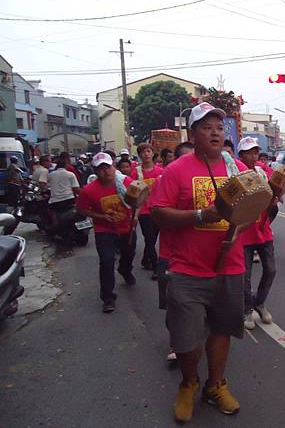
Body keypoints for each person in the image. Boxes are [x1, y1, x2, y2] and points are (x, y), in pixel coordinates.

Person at [152, 102, 246, 423]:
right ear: (193, 134)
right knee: (187, 339)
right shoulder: (176, 170)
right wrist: (200, 215)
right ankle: (188, 383)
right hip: (187, 270)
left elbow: (256, 206)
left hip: (229, 267)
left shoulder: (237, 170)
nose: (216, 133)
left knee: (221, 331)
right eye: (207, 127)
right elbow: (158, 213)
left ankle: (215, 385)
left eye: (220, 127)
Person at [76, 152, 137, 313]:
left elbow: (140, 200)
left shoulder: (126, 183)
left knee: (129, 254)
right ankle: (108, 297)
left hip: (127, 228)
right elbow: (81, 208)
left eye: (108, 167)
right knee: (107, 261)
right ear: (95, 171)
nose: (106, 172)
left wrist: (136, 216)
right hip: (105, 230)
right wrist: (101, 216)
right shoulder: (89, 190)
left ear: (113, 167)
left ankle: (125, 270)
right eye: (101, 169)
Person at [155, 141, 194, 363]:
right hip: (170, 255)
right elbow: (159, 216)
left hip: (197, 257)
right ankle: (175, 341)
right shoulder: (165, 181)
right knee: (173, 304)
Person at [235, 137, 277, 330]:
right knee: (245, 275)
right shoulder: (234, 173)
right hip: (243, 233)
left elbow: (270, 196)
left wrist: (274, 197)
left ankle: (259, 302)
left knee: (270, 270)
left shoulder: (261, 171)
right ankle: (246, 309)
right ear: (241, 154)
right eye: (250, 153)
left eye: (255, 153)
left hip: (263, 230)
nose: (254, 156)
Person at [131, 143, 163, 278]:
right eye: (143, 152)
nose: (146, 154)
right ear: (140, 155)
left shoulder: (160, 172)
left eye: (149, 151)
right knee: (149, 239)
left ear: (153, 153)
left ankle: (145, 259)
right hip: (144, 211)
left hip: (158, 209)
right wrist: (134, 215)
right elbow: (133, 194)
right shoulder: (136, 173)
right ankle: (156, 267)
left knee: (153, 238)